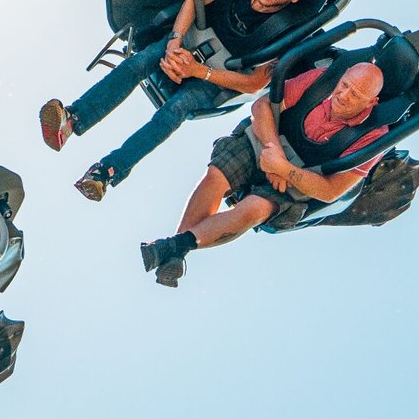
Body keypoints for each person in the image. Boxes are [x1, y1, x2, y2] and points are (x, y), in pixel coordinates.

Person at [39, 0, 324, 201]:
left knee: (173, 111)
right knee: (139, 63)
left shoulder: (288, 31)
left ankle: (107, 171)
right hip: (186, 43)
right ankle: (73, 119)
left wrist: (198, 71)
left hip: (214, 76)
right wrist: (175, 42)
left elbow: (255, 82)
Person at [139, 62, 388, 287]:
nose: (343, 96)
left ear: (370, 103)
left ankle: (176, 246)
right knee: (217, 176)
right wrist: (273, 151)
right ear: (342, 76)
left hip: (299, 177)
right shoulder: (322, 79)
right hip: (268, 140)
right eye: (344, 85)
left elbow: (331, 190)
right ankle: (175, 251)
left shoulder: (374, 136)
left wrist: (283, 169)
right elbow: (262, 106)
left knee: (254, 210)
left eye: (355, 95)